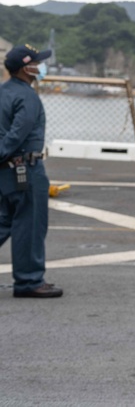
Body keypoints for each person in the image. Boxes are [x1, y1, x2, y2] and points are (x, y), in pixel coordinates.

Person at [1, 44, 63, 298]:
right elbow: (19, 133)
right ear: (26, 68)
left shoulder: (3, 92)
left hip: (4, 171)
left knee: (4, 220)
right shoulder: (28, 97)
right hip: (25, 168)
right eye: (37, 63)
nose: (40, 66)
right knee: (30, 223)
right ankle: (28, 281)